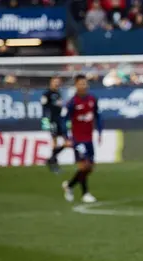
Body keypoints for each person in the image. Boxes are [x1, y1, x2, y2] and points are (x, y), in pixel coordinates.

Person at [62, 74, 101, 203]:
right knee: (84, 165)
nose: (83, 86)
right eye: (80, 84)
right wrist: (67, 137)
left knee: (90, 167)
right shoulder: (72, 102)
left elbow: (97, 116)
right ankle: (85, 193)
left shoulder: (92, 100)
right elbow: (65, 120)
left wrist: (100, 132)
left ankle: (69, 185)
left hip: (89, 138)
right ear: (76, 85)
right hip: (78, 139)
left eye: (85, 83)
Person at [41, 76, 69, 173]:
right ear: (51, 82)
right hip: (52, 121)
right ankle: (54, 164)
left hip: (60, 120)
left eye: (58, 82)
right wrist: (45, 122)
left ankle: (51, 159)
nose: (57, 83)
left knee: (67, 142)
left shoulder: (59, 93)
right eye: (55, 82)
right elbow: (44, 109)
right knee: (55, 142)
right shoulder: (47, 94)